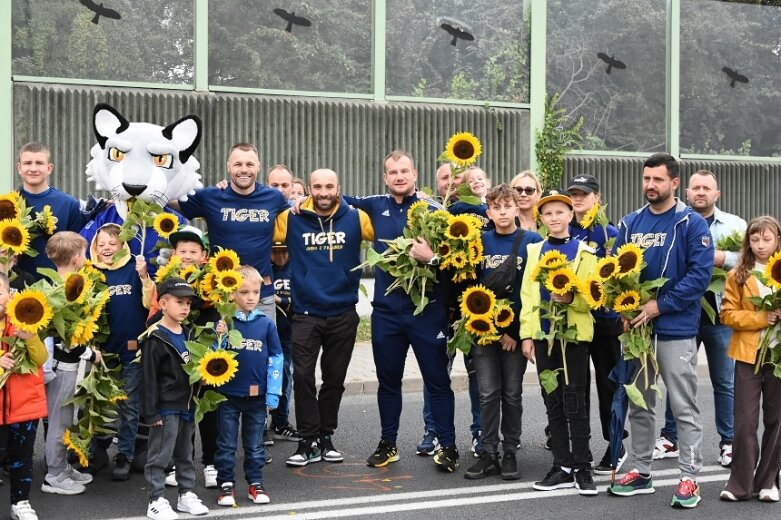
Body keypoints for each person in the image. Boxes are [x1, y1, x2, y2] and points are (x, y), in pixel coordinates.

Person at [342, 151, 459, 472]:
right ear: (385, 177)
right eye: (392, 172)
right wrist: (296, 201)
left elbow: (455, 262)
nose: (398, 176)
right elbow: (334, 197)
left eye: (404, 171)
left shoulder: (435, 211)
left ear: (415, 173)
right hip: (386, 314)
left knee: (437, 382)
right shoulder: (374, 204)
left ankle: (448, 446)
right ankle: (388, 443)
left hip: (427, 313)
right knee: (388, 381)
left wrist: (432, 256)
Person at [607, 153, 713, 509]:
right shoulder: (629, 224)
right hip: (636, 331)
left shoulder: (691, 224)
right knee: (641, 403)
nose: (650, 185)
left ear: (674, 183)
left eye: (658, 179)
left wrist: (659, 305)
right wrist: (622, 308)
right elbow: (615, 276)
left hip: (675, 328)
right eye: (646, 178)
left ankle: (689, 477)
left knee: (683, 404)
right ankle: (640, 471)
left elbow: (699, 277)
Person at [274, 168, 373, 467]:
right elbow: (254, 235)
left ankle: (326, 436)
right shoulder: (291, 218)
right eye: (317, 186)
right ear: (309, 189)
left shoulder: (357, 218)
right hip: (305, 313)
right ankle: (307, 441)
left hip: (343, 312)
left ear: (339, 188)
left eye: (329, 186)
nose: (323, 192)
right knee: (303, 377)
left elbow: (395, 234)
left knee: (334, 380)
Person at [654, 170, 746, 466]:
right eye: (696, 187)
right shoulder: (674, 221)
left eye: (707, 188)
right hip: (682, 314)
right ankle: (670, 439)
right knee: (676, 378)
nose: (701, 192)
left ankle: (728, 443)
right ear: (687, 191)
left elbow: (751, 259)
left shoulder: (735, 225)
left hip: (720, 315)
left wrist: (719, 257)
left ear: (716, 194)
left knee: (724, 380)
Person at [521, 190, 598, 496]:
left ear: (570, 216)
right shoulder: (534, 251)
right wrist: (528, 334)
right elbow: (527, 296)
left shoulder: (585, 253)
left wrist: (570, 299)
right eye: (548, 213)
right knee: (552, 402)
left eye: (559, 212)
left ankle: (583, 466)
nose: (554, 218)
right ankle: (561, 465)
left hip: (573, 338)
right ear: (542, 218)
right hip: (544, 337)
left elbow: (592, 297)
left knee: (575, 401)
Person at [464, 185, 542, 480]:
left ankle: (510, 452)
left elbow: (531, 292)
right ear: (489, 212)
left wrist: (517, 332)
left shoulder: (532, 241)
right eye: (496, 207)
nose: (503, 212)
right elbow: (470, 288)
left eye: (508, 206)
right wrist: (491, 329)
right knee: (487, 394)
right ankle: (489, 454)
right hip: (483, 332)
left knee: (511, 394)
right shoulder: (479, 242)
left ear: (517, 208)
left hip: (516, 333)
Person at [171, 143, 288, 321]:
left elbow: (299, 212)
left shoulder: (274, 198)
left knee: (263, 347)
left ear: (258, 166)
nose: (243, 170)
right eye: (237, 164)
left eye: (249, 164)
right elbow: (171, 201)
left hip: (261, 295)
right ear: (228, 166)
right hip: (223, 296)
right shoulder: (210, 196)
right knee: (224, 348)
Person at [416, 163, 483, 459]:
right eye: (444, 178)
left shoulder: (480, 214)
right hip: (437, 309)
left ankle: (480, 431)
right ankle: (432, 431)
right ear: (436, 185)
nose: (451, 183)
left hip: (473, 307)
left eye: (456, 178)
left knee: (478, 373)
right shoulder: (426, 217)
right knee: (436, 374)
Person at [566, 174, 626, 474]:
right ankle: (581, 447)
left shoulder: (610, 232)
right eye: (574, 194)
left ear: (597, 198)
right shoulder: (564, 230)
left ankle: (616, 446)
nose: (578, 199)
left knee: (608, 385)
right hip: (576, 320)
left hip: (605, 322)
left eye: (584, 194)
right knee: (577, 387)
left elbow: (619, 277)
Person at [718, 216, 781, 503]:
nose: (760, 245)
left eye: (766, 239)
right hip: (748, 354)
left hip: (778, 356)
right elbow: (727, 314)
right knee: (744, 421)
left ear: (777, 240)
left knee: (776, 419)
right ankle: (740, 484)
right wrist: (761, 317)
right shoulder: (738, 274)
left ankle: (768, 481)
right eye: (755, 239)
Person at [214, 266, 283, 507]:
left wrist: (273, 392)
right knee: (226, 444)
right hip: (228, 396)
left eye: (255, 291)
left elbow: (276, 357)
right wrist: (219, 337)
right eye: (244, 292)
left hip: (257, 397)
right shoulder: (224, 322)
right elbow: (214, 360)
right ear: (232, 293)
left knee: (254, 445)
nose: (251, 297)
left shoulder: (266, 324)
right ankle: (226, 484)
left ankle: (255, 483)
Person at [141, 277, 209, 520]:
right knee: (160, 454)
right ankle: (156, 499)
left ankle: (186, 494)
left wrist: (201, 378)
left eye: (188, 303)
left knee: (185, 452)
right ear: (162, 303)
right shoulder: (155, 337)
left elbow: (192, 366)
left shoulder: (189, 333)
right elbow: (148, 378)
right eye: (179, 302)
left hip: (187, 403)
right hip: (165, 407)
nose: (185, 308)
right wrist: (151, 412)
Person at [88, 224, 149, 481]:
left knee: (129, 404)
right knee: (96, 403)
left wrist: (145, 278)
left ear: (123, 245)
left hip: (132, 349)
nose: (106, 249)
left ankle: (124, 454)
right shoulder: (90, 271)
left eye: (112, 244)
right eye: (101, 245)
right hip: (102, 351)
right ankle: (94, 452)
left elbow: (150, 303)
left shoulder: (135, 266)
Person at [41, 232, 100, 496]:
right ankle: (54, 474)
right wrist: (90, 354)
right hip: (63, 366)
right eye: (84, 253)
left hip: (66, 365)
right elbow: (67, 335)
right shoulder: (66, 291)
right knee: (60, 421)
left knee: (65, 419)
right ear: (77, 259)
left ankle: (63, 467)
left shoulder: (54, 284)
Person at [0, 273, 49, 520]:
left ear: (10, 296)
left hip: (24, 405)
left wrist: (29, 337)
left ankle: (20, 502)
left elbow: (41, 358)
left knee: (22, 458)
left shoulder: (24, 320)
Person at [15, 142, 83, 280]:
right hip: (16, 286)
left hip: (56, 287)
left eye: (39, 163)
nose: (33, 168)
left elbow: (78, 251)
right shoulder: (8, 205)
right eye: (28, 163)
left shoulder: (69, 204)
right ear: (19, 168)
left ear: (49, 168)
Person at [268, 242, 300, 444]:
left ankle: (280, 422)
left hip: (288, 335)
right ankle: (261, 424)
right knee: (264, 377)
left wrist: (281, 301)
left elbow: (304, 299)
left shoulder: (296, 269)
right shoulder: (264, 269)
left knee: (285, 377)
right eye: (275, 251)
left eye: (284, 251)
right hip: (267, 333)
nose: (280, 255)